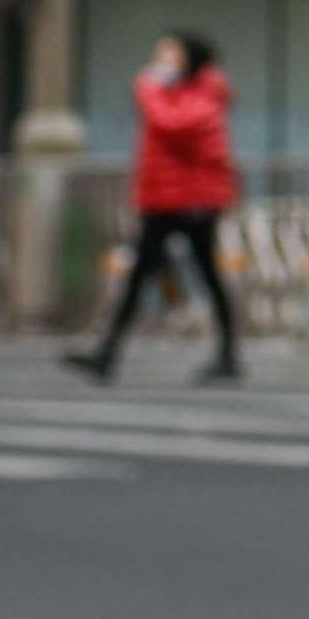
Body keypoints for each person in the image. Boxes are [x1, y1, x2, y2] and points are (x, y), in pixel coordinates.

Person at [71, 30, 243, 382]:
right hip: (163, 201)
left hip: (194, 203)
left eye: (169, 56)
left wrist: (148, 88)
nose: (160, 64)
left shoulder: (205, 94)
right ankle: (106, 354)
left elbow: (170, 124)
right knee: (139, 278)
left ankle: (228, 357)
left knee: (207, 277)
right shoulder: (176, 93)